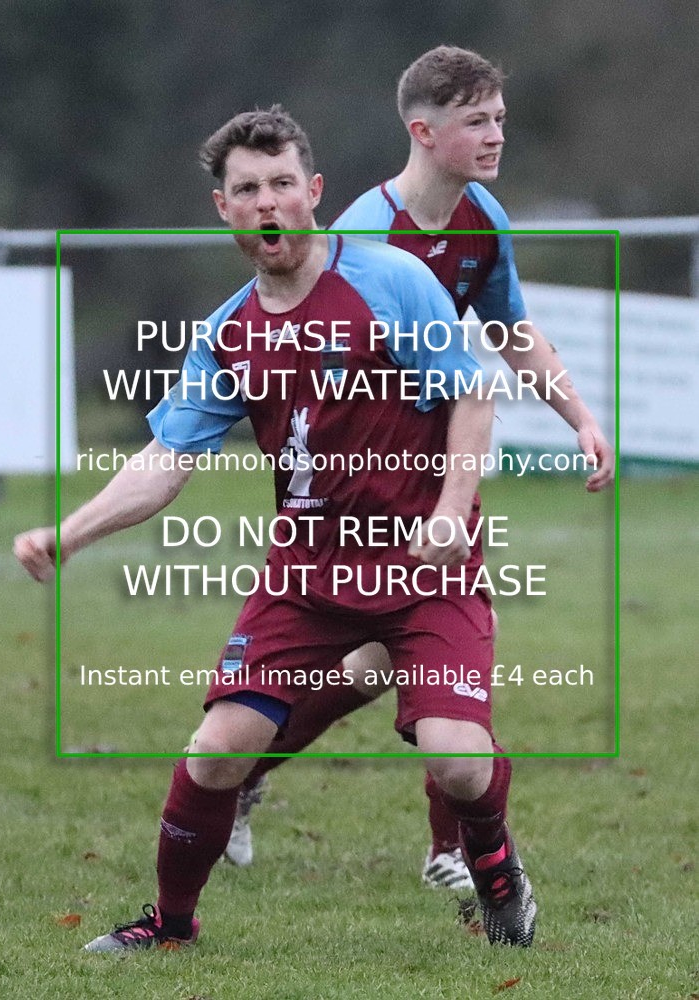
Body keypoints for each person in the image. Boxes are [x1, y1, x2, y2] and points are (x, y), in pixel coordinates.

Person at [15, 105, 537, 949]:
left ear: (313, 192)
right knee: (219, 748)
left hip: (424, 565)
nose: (268, 203)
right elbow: (167, 458)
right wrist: (67, 534)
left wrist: (450, 512)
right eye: (249, 189)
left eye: (282, 184)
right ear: (223, 207)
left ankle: (498, 869)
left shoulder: (390, 280)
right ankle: (171, 927)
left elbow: (473, 393)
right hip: (306, 574)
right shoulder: (228, 332)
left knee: (457, 761)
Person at [224, 45, 615, 889]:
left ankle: (427, 842)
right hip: (364, 491)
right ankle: (432, 842)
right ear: (424, 132)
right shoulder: (365, 233)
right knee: (391, 662)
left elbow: (509, 329)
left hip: (442, 477)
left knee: (410, 661)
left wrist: (580, 416)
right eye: (477, 121)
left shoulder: (483, 217)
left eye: (500, 119)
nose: (496, 135)